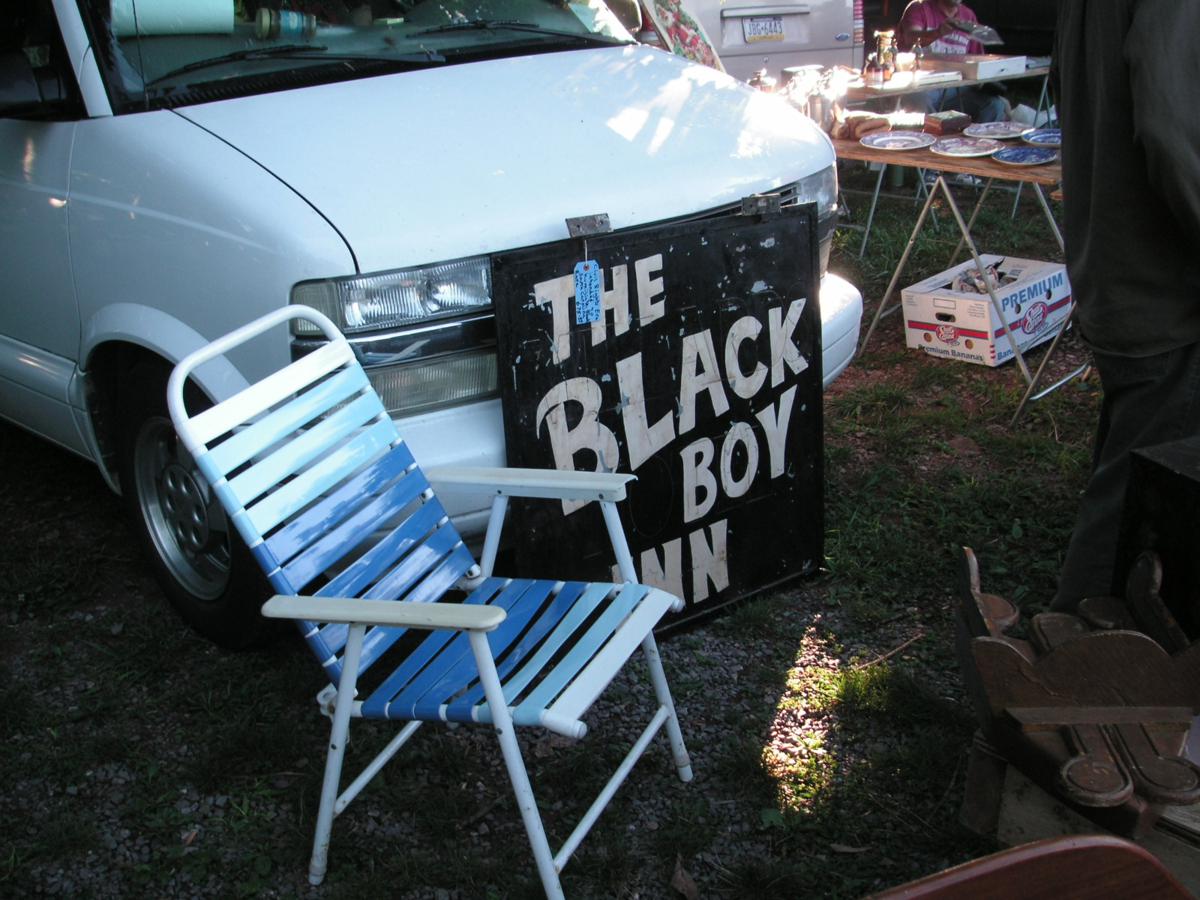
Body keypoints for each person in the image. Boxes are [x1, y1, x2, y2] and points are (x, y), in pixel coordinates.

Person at [1050, 1, 1200, 611]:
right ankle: (1069, 644)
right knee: (1137, 499)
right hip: (1161, 281)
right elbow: (1169, 125)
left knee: (1132, 469)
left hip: (1117, 260)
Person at [895, 0, 1008, 123]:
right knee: (918, 98)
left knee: (994, 105)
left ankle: (975, 136)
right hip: (920, 85)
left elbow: (978, 60)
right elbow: (910, 38)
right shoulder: (919, 7)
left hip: (956, 88)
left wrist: (992, 90)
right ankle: (933, 134)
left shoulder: (968, 15)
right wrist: (938, 32)